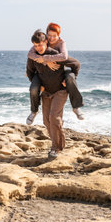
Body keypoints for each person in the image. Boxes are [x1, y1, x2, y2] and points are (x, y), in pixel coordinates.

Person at [26, 30, 80, 158]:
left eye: (40, 45)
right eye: (35, 45)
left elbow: (76, 64)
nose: (38, 48)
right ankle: (60, 145)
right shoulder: (33, 57)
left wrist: (70, 80)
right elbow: (30, 72)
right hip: (46, 92)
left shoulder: (55, 55)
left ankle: (54, 149)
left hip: (60, 91)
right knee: (47, 121)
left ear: (46, 42)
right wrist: (40, 86)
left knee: (54, 118)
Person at [26, 23, 84, 125]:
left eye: (54, 36)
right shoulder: (38, 45)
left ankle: (76, 107)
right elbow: (30, 55)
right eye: (50, 35)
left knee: (70, 78)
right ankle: (34, 111)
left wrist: (46, 59)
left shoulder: (61, 43)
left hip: (62, 66)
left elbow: (66, 58)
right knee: (34, 88)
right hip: (42, 73)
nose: (52, 38)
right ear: (46, 36)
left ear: (58, 36)